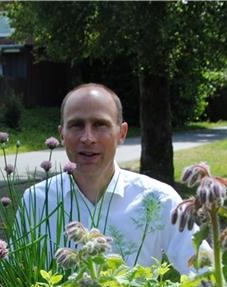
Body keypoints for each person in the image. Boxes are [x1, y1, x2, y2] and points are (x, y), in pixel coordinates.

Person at [20, 83, 199, 274]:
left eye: (100, 125)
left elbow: (204, 272)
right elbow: (17, 274)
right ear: (62, 134)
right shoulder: (36, 200)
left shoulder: (159, 199)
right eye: (77, 125)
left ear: (121, 133)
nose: (87, 138)